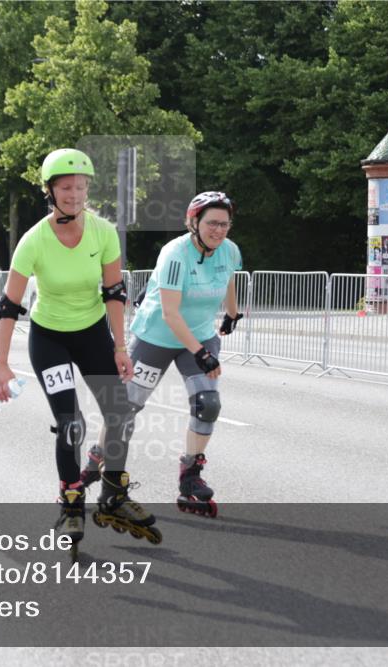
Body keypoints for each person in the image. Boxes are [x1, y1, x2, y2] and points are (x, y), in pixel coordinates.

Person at [0, 148, 161, 549]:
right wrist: (0, 364)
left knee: (119, 414)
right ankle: (70, 501)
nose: (75, 194)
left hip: (91, 335)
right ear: (50, 191)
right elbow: (8, 306)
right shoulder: (34, 240)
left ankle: (114, 494)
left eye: (81, 187)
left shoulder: (102, 232)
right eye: (66, 187)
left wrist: (121, 346)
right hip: (49, 339)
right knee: (71, 424)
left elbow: (114, 292)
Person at [81, 192, 243, 518]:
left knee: (207, 403)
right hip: (156, 336)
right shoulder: (175, 254)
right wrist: (202, 355)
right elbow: (170, 314)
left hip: (198, 335)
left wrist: (232, 312)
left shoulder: (229, 250)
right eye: (212, 223)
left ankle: (191, 475)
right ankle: (97, 458)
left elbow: (228, 278)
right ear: (193, 223)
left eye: (224, 224)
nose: (219, 230)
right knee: (126, 409)